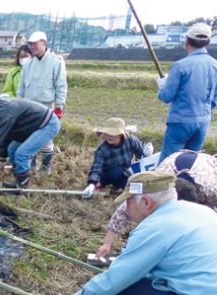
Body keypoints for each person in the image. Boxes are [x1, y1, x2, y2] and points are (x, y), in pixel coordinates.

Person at [47, 171, 217, 295]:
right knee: (190, 285)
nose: (125, 208)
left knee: (129, 287)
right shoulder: (202, 213)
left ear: (146, 202)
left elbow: (117, 278)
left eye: (128, 202)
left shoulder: (156, 227)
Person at [96, 150, 217, 259]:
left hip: (208, 171)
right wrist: (107, 243)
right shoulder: (157, 183)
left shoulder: (210, 189)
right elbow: (127, 206)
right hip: (175, 164)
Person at [0, 93, 61, 188]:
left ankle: (22, 186)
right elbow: (4, 135)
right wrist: (2, 158)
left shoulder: (3, 109)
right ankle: (19, 178)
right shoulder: (0, 109)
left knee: (22, 153)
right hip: (33, 126)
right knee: (12, 149)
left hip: (47, 124)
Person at [157, 23, 217, 161]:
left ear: (187, 42)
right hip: (203, 122)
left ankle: (166, 183)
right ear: (207, 44)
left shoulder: (180, 66)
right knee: (190, 163)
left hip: (180, 122)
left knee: (169, 162)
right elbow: (215, 98)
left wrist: (162, 87)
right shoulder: (215, 65)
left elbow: (167, 96)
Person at [17, 31, 67, 175]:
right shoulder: (28, 64)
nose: (32, 46)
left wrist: (59, 107)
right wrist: (19, 104)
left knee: (46, 138)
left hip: (46, 106)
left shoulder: (56, 62)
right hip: (28, 106)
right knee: (30, 135)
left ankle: (46, 167)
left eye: (35, 44)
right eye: (30, 44)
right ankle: (32, 163)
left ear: (43, 43)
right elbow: (21, 87)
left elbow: (61, 86)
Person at [81, 118, 153, 198]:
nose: (110, 136)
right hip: (108, 174)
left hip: (126, 173)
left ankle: (118, 186)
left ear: (121, 134)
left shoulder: (130, 140)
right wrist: (92, 184)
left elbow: (141, 152)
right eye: (108, 133)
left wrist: (147, 150)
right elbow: (96, 167)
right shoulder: (101, 149)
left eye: (114, 134)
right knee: (116, 171)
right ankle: (102, 185)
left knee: (132, 186)